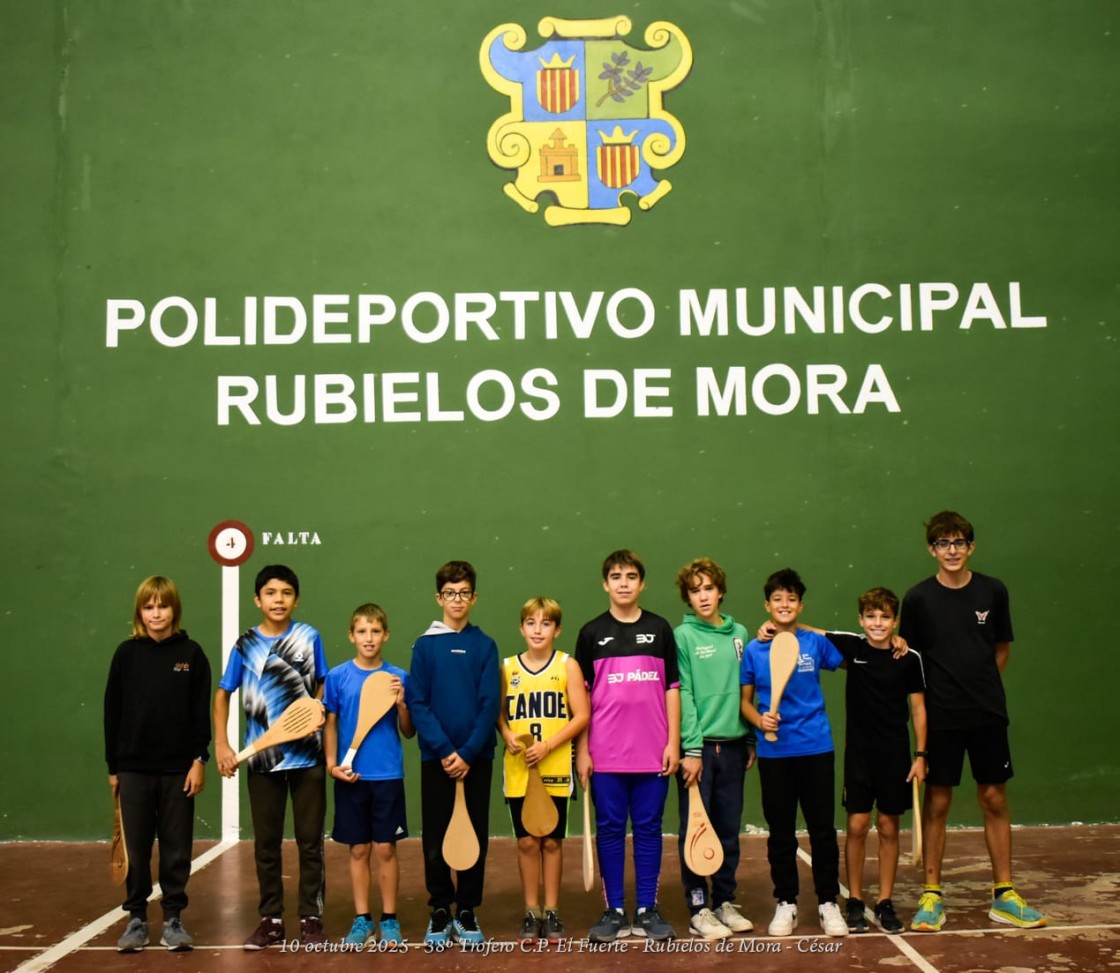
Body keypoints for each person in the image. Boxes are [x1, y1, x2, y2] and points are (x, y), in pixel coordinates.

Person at [902, 511, 1046, 931]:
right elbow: (911, 659)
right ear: (932, 549)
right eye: (943, 543)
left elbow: (1001, 649)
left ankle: (1005, 894)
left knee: (994, 799)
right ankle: (932, 895)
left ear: (971, 546)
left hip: (986, 714)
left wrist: (978, 687)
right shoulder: (917, 599)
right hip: (941, 718)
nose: (952, 550)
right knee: (939, 802)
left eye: (959, 542)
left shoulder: (993, 591)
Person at [213, 564, 329, 949]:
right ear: (257, 599)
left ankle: (311, 918)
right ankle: (272, 919)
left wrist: (318, 716)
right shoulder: (246, 644)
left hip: (308, 759)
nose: (278, 600)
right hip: (262, 763)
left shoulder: (310, 637)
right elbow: (223, 693)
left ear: (296, 599)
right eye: (271, 593)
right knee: (266, 843)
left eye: (286, 593)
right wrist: (223, 744)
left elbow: (322, 688)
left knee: (310, 842)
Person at [576, 549, 680, 943]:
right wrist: (583, 752)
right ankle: (615, 909)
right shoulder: (591, 633)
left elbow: (673, 689)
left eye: (631, 576)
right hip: (606, 756)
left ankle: (647, 909)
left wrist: (673, 741)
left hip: (653, 753)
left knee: (650, 830)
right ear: (605, 584)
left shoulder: (660, 629)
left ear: (642, 583)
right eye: (616, 576)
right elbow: (582, 701)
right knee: (611, 831)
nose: (623, 583)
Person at [104, 576, 211, 953]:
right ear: (140, 611)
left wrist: (199, 760)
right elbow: (112, 713)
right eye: (148, 607)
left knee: (176, 847)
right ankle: (135, 919)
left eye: (162, 606)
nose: (156, 613)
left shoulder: (192, 655)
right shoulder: (125, 654)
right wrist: (113, 768)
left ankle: (172, 919)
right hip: (133, 769)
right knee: (135, 847)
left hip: (178, 770)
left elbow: (201, 715)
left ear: (174, 609)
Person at [739, 567, 848, 938]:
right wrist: (759, 722)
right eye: (777, 599)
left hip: (816, 747)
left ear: (801, 605)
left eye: (791, 599)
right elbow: (745, 702)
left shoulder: (815, 644)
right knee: (781, 832)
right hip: (776, 754)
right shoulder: (755, 649)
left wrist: (811, 631)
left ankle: (828, 902)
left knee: (822, 830)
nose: (784, 605)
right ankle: (786, 902)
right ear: (766, 605)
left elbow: (849, 658)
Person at [405, 560, 501, 946]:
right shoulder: (425, 646)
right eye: (449, 593)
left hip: (477, 759)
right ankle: (441, 908)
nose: (456, 600)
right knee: (436, 836)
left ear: (474, 597)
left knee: (475, 834)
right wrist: (446, 750)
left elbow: (489, 702)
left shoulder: (485, 645)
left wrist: (469, 751)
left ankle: (467, 910)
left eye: (463, 593)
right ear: (438, 597)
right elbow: (418, 701)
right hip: (436, 760)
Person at [821, 587, 927, 935]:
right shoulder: (854, 648)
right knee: (855, 826)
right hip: (859, 756)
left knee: (888, 827)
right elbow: (811, 633)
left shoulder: (908, 659)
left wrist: (921, 755)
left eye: (884, 617)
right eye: (871, 616)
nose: (877, 623)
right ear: (861, 620)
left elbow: (918, 710)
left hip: (895, 757)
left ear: (895, 621)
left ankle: (884, 901)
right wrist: (776, 627)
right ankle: (854, 899)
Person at [673, 557, 756, 940]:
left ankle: (723, 900)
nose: (703, 596)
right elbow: (684, 693)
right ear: (687, 598)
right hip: (698, 750)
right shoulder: (683, 637)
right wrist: (690, 748)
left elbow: (747, 688)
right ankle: (698, 907)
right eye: (695, 590)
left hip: (735, 748)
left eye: (708, 588)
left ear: (720, 591)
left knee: (727, 828)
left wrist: (750, 737)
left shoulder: (740, 633)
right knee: (694, 830)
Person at [498, 596, 590, 944]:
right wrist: (507, 733)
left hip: (554, 767)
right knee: (526, 841)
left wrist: (549, 745)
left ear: (557, 629)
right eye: (531, 623)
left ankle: (552, 911)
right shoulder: (507, 667)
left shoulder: (567, 665)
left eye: (546, 623)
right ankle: (531, 910)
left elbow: (582, 715)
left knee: (551, 840)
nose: (538, 630)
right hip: (520, 770)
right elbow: (499, 713)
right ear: (521, 628)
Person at [323, 603, 414, 948]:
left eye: (376, 631)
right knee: (358, 850)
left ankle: (389, 920)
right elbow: (330, 724)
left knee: (385, 849)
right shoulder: (337, 677)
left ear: (386, 635)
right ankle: (362, 920)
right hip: (350, 777)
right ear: (351, 636)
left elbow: (408, 732)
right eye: (362, 631)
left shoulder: (399, 678)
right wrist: (333, 765)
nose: (369, 638)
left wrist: (403, 703)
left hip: (388, 776)